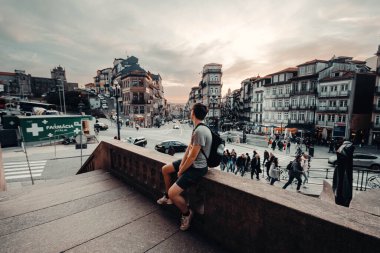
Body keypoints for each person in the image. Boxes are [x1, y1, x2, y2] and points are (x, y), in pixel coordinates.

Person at [156, 103, 212, 231]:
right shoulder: (197, 128)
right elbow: (189, 149)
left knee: (173, 192)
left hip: (197, 167)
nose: (190, 111)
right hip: (189, 162)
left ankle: (187, 213)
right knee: (165, 169)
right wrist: (181, 165)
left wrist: (182, 170)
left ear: (193, 113)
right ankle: (167, 197)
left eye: (191, 110)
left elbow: (193, 157)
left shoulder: (200, 131)